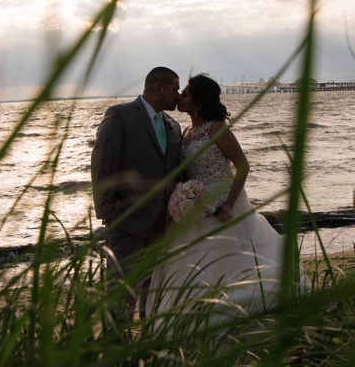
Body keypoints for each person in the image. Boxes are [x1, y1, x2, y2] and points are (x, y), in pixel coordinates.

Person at [145, 74, 284, 325]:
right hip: (194, 211)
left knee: (227, 264)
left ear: (197, 103)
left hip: (223, 208)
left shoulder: (218, 128)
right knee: (189, 267)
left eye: (185, 94)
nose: (179, 96)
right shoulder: (186, 131)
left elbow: (242, 166)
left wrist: (229, 203)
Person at [91, 66, 183, 324]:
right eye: (175, 89)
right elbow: (102, 165)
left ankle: (146, 348)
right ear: (158, 88)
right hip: (126, 225)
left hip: (160, 227)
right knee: (121, 296)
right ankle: (114, 355)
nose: (178, 95)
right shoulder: (120, 116)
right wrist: (109, 214)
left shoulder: (173, 126)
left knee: (152, 296)